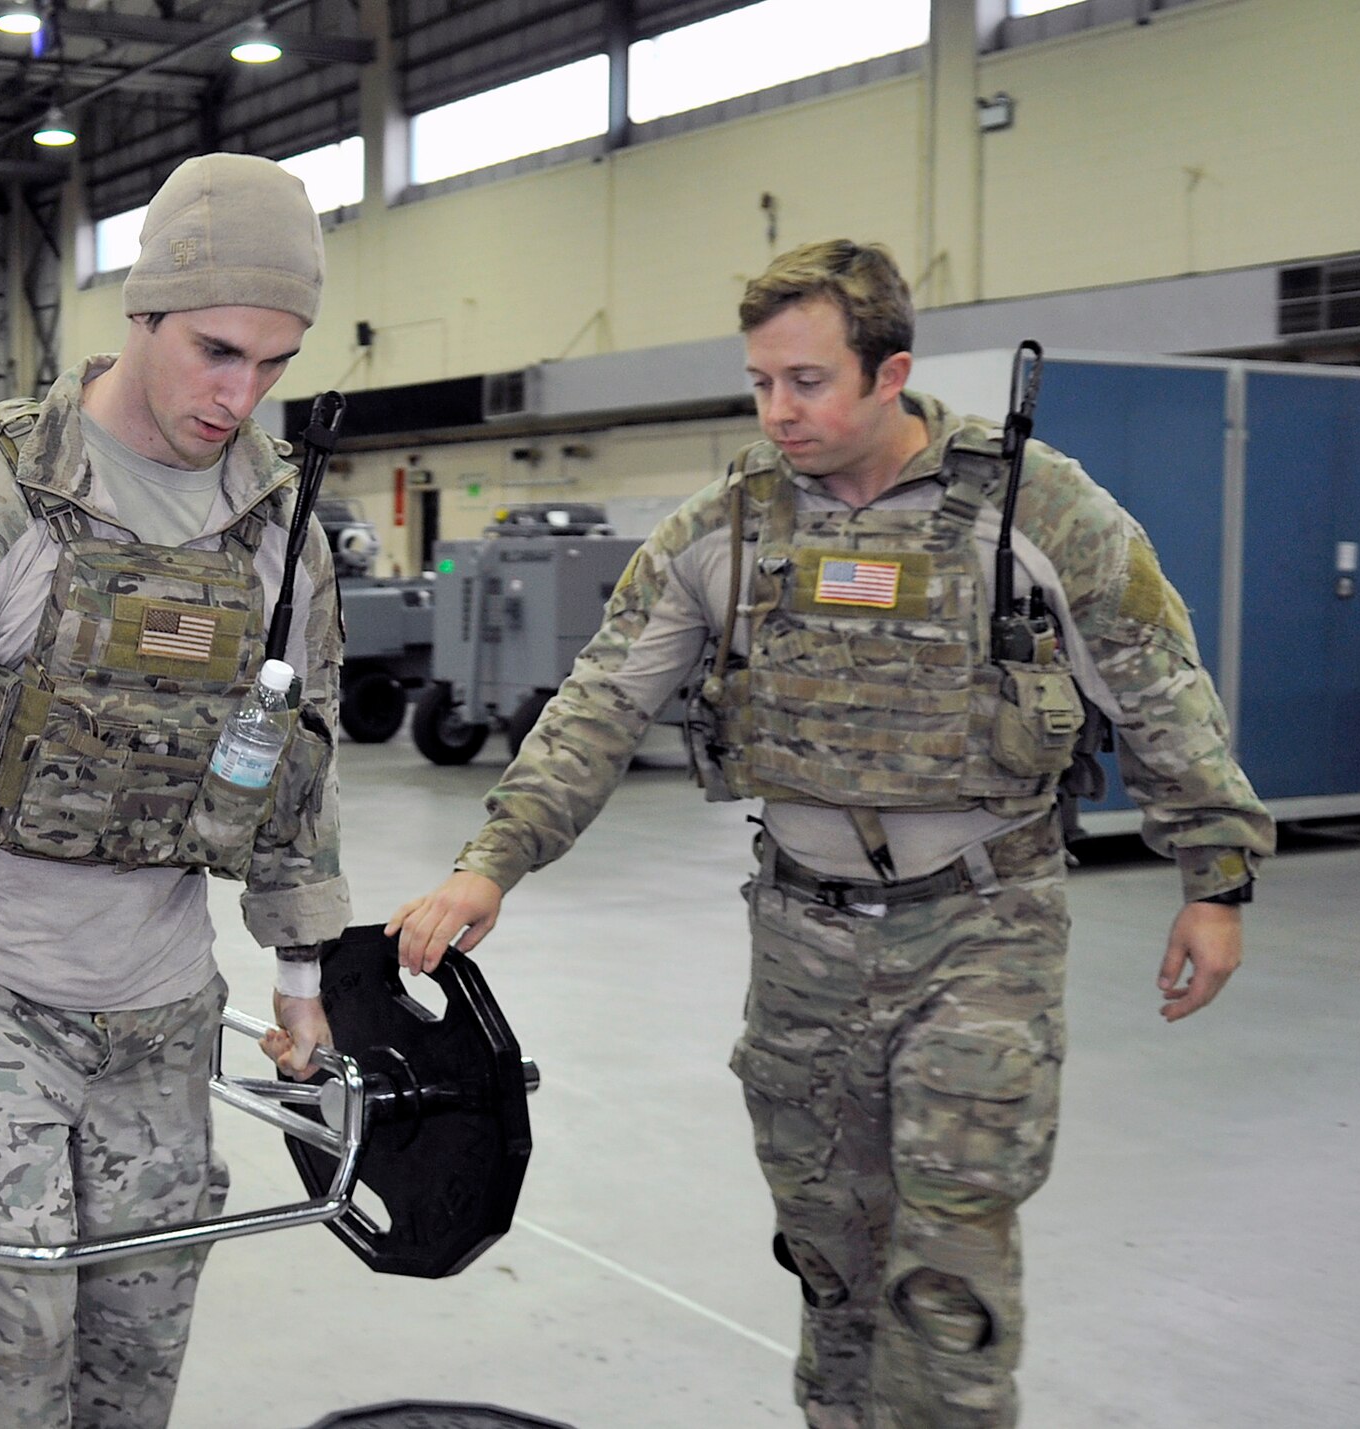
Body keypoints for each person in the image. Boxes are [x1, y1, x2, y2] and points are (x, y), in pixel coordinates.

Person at [389, 240, 1273, 1429]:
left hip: (981, 931)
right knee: (827, 1251)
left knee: (949, 1261)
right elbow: (602, 700)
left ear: (888, 372)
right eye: (759, 383)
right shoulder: (732, 525)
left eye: (804, 382)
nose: (775, 411)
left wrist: (1214, 877)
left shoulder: (1033, 505)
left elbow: (1155, 685)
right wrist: (489, 862)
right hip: (801, 937)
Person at [0, 153, 349, 1429]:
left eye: (271, 365)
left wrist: (303, 990)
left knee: (136, 1358)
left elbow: (296, 766)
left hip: (163, 1008)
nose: (238, 393)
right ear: (138, 315)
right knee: (1, 1350)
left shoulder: (278, 533)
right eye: (212, 351)